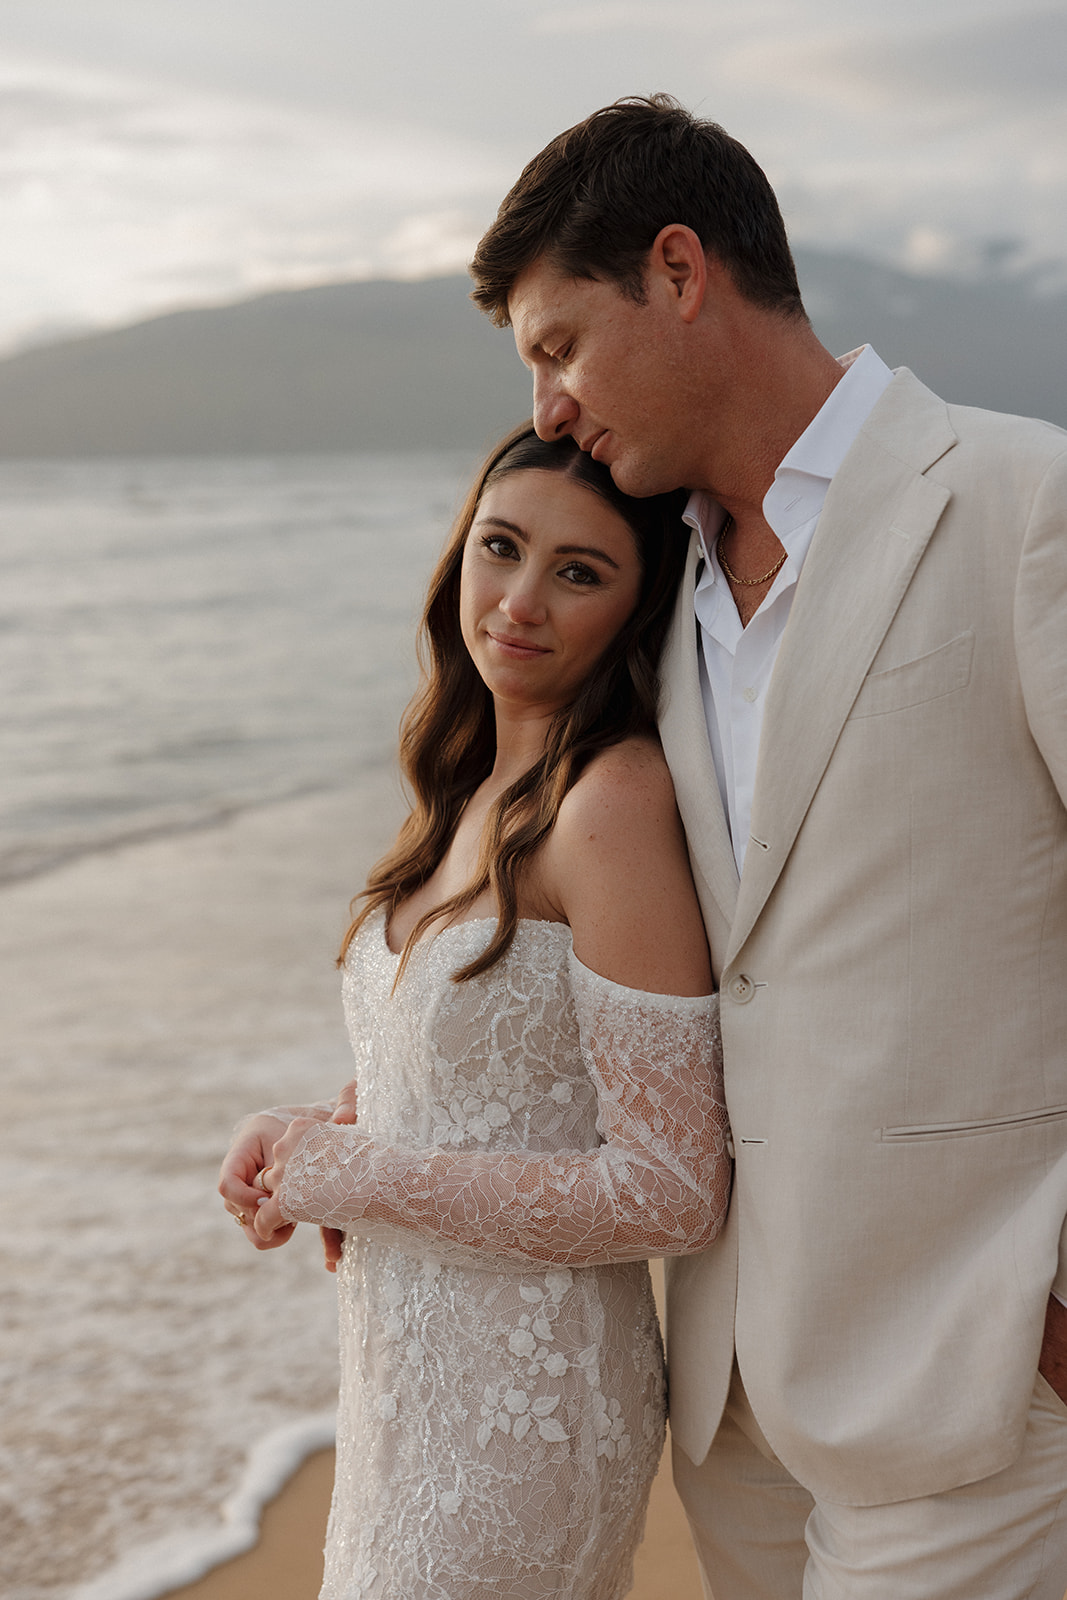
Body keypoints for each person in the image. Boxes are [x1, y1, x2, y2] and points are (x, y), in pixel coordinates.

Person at [465, 95, 1067, 1599]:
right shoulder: (647, 582)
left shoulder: (1019, 503)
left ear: (679, 271)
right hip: (731, 1399)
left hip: (978, 1376)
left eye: (557, 346)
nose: (547, 408)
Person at [219, 423, 732, 1600]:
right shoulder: (464, 787)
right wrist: (313, 1126)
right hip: (403, 1377)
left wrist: (347, 1175)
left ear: (637, 607)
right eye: (499, 548)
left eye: (579, 572)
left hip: (523, 1410)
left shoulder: (609, 800)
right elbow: (486, 1088)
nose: (518, 600)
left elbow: (670, 1186)